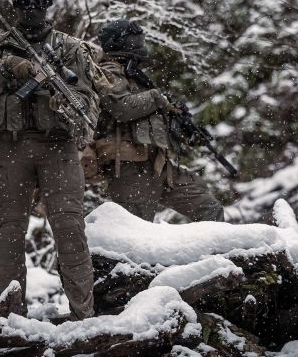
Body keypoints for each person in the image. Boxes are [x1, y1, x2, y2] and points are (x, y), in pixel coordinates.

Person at [0, 0, 108, 320]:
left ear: (48, 4)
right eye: (24, 1)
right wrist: (5, 69)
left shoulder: (71, 48)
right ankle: (12, 319)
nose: (31, 8)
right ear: (15, 5)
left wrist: (60, 101)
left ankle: (84, 317)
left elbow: (90, 105)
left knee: (70, 230)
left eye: (37, 0)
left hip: (58, 149)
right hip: (9, 149)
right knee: (10, 234)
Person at [93, 19, 225, 223]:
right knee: (135, 237)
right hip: (130, 169)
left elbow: (149, 122)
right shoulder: (108, 70)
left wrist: (183, 129)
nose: (138, 44)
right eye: (133, 40)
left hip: (159, 165)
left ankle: (215, 254)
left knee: (209, 208)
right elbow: (122, 108)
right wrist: (157, 98)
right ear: (118, 43)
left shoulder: (135, 76)